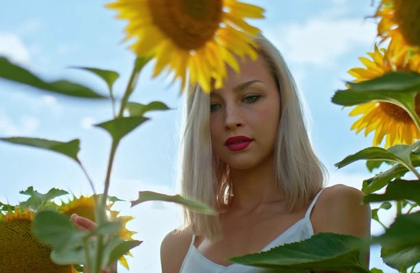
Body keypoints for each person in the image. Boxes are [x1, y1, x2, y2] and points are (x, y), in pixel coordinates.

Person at [159, 35, 371, 272]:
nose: (231, 120)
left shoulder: (335, 208)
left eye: (250, 98)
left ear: (283, 101)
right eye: (213, 106)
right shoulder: (177, 247)